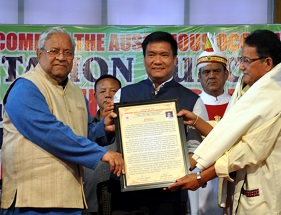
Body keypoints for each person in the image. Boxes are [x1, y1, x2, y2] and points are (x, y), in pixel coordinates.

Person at [166, 29, 281, 215]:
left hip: (261, 200)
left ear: (268, 63)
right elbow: (230, 129)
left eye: (247, 61)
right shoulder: (249, 89)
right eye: (241, 60)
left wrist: (201, 177)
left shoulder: (274, 100)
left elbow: (247, 150)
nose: (241, 67)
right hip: (235, 189)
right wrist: (196, 121)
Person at [1, 27, 125, 215]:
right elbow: (50, 133)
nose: (61, 57)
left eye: (68, 52)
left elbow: (80, 136)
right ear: (39, 53)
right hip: (32, 202)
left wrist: (103, 130)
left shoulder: (76, 92)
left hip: (71, 199)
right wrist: (103, 154)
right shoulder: (25, 87)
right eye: (54, 51)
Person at [111, 31, 208, 215]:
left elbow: (196, 146)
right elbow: (114, 141)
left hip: (170, 195)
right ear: (144, 58)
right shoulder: (123, 95)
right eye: (151, 55)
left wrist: (178, 168)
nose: (157, 61)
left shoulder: (192, 100)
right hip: (127, 197)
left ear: (174, 60)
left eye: (164, 55)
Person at [188, 33, 231, 215]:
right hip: (199, 175)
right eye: (206, 72)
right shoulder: (191, 106)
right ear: (198, 76)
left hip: (229, 172)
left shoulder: (237, 105)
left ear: (226, 74)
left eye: (216, 71)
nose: (211, 76)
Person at [83, 74, 122, 215]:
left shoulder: (128, 126)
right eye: (102, 91)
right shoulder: (84, 128)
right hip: (90, 201)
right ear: (94, 96)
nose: (108, 95)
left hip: (123, 204)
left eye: (113, 91)